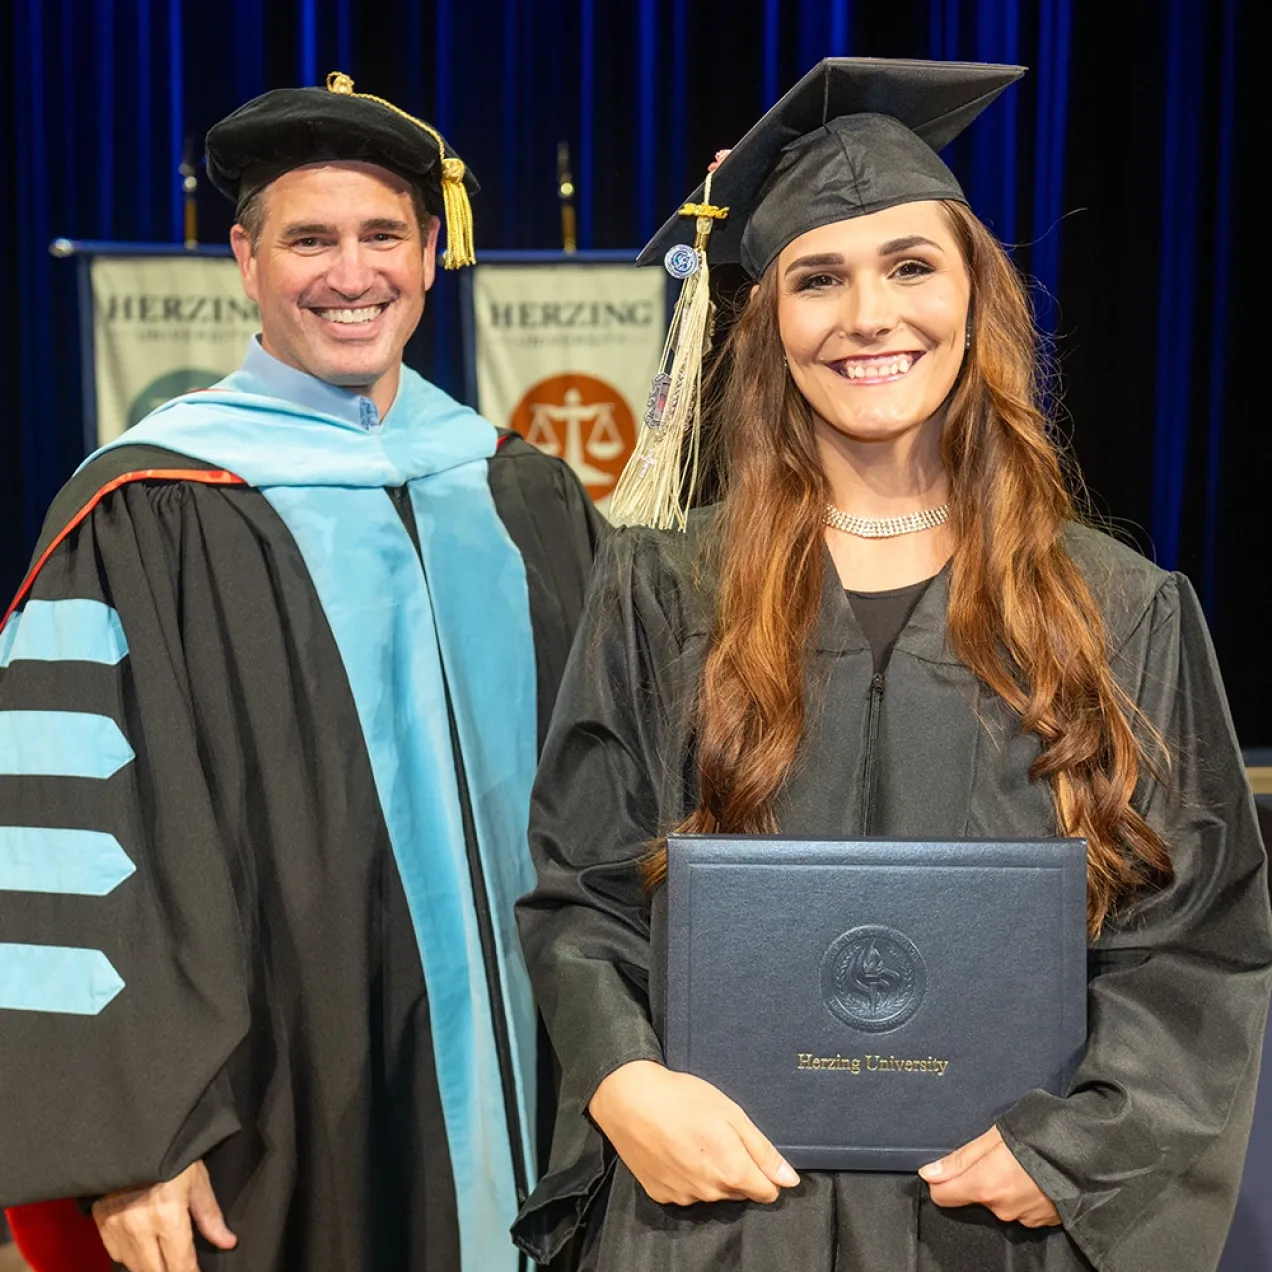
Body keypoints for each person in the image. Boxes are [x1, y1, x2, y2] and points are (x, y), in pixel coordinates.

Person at [511, 58, 1272, 1271]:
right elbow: (581, 897)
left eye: (912, 266)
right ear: (768, 326)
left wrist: (1078, 1150)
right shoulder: (662, 592)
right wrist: (620, 1080)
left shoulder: (1116, 608)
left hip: (989, 1226)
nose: (869, 316)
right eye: (819, 278)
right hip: (717, 1224)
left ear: (977, 296)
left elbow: (1196, 936)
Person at [0, 72, 601, 1272]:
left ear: (433, 253)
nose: (351, 273)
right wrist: (131, 1136)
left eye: (384, 236)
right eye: (309, 240)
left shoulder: (516, 490)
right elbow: (68, 842)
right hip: (287, 1107)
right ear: (245, 257)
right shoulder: (146, 506)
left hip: (552, 1089)